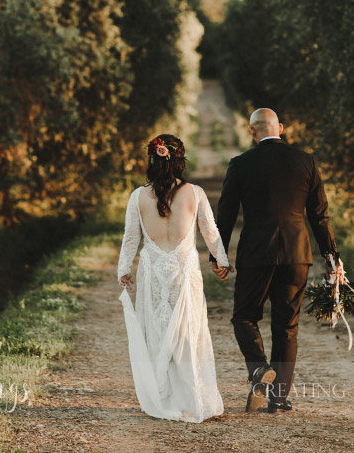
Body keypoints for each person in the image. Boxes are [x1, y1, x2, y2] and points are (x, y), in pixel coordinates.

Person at [212, 108, 338, 413]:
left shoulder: (241, 164)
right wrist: (332, 257)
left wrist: (219, 254)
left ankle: (258, 368)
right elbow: (319, 215)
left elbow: (226, 214)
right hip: (297, 253)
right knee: (287, 326)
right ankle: (279, 397)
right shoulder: (305, 161)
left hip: (256, 252)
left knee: (244, 316)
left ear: (252, 132)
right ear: (280, 127)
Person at [116, 134, 230, 423]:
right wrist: (222, 261)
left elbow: (131, 237)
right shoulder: (195, 193)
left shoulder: (137, 196)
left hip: (152, 270)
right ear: (179, 160)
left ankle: (164, 397)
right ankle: (190, 397)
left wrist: (124, 269)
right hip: (183, 271)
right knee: (188, 332)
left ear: (152, 160)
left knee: (156, 330)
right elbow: (210, 232)